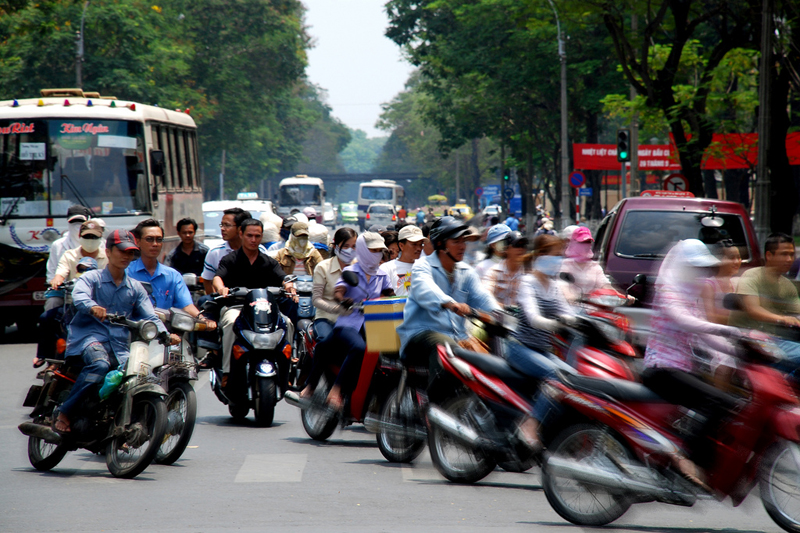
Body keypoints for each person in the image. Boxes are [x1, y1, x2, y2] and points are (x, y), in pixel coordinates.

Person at [53, 229, 178, 433]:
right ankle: (65, 411)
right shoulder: (92, 278)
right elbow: (79, 296)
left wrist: (165, 334)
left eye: (130, 253)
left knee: (141, 375)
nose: (126, 256)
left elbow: (150, 315)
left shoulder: (135, 287)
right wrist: (92, 307)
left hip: (120, 347)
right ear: (108, 251)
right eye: (121, 251)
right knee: (100, 365)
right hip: (90, 339)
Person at [642, 239, 742, 489]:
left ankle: (704, 467)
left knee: (732, 403)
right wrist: (733, 332)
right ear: (680, 266)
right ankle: (684, 457)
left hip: (682, 368)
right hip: (661, 369)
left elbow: (705, 335)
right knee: (718, 401)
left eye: (702, 268)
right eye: (694, 267)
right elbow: (687, 322)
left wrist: (742, 351)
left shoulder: (689, 296)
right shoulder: (669, 293)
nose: (699, 273)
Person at [490, 233, 576, 450]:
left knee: (576, 379)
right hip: (520, 349)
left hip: (543, 350)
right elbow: (534, 318)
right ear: (542, 256)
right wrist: (557, 323)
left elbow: (569, 312)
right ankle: (530, 424)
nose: (559, 260)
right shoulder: (528, 282)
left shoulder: (554, 286)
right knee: (556, 376)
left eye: (561, 255)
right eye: (556, 255)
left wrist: (584, 321)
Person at [397, 216, 499, 390]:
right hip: (420, 335)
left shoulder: (466, 272)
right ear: (441, 245)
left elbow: (483, 298)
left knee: (495, 350)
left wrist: (501, 313)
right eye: (456, 241)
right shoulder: (423, 266)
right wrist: (450, 303)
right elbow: (425, 289)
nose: (462, 246)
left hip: (458, 337)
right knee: (447, 347)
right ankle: (436, 408)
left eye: (464, 241)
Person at [297, 232, 394, 410]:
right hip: (346, 321)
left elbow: (389, 294)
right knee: (351, 347)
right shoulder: (348, 271)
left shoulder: (383, 274)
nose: (377, 254)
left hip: (374, 324)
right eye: (373, 250)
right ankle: (331, 388)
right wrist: (342, 301)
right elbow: (337, 292)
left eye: (380, 251)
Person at [212, 219, 297, 387]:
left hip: (265, 308)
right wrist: (221, 288)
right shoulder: (230, 259)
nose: (253, 239)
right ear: (241, 234)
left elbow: (283, 278)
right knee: (230, 323)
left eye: (257, 236)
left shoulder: (269, 261)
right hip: (236, 307)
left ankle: (285, 370)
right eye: (249, 235)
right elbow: (217, 278)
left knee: (287, 323)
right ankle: (228, 372)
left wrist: (289, 286)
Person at [127, 218, 214, 326]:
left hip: (169, 335)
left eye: (159, 240)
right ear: (138, 242)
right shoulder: (126, 273)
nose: (155, 244)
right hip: (136, 333)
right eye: (149, 239)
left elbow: (186, 305)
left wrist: (203, 320)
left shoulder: (173, 275)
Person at [731, 233, 800, 364]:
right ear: (769, 255)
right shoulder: (751, 276)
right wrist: (783, 318)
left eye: (791, 255)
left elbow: (797, 312)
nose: (789, 259)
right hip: (746, 339)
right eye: (784, 254)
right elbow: (753, 310)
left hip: (773, 340)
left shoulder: (788, 285)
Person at [309, 227, 358, 345]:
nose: (350, 250)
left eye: (354, 246)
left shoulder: (359, 267)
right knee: (326, 341)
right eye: (346, 246)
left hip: (352, 320)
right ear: (335, 246)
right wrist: (337, 309)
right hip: (326, 319)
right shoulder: (323, 267)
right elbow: (316, 299)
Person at [45, 205, 93, 308]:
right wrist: (55, 282)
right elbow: (54, 271)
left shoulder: (99, 243)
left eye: (81, 222)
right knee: (51, 306)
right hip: (65, 292)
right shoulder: (59, 246)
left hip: (92, 291)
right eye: (73, 222)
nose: (77, 226)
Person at [559, 226, 620, 304]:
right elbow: (563, 286)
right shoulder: (565, 265)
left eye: (588, 242)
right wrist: (570, 297)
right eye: (582, 243)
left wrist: (619, 295)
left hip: (592, 308)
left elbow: (605, 285)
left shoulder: (595, 267)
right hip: (571, 308)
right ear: (573, 244)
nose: (586, 245)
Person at [200, 207, 247, 294]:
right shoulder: (215, 252)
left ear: (240, 229)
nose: (222, 229)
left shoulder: (259, 251)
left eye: (227, 225)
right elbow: (208, 281)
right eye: (222, 225)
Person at [701, 241, 742, 326]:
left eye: (738, 257)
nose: (737, 261)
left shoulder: (737, 282)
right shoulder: (709, 285)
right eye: (731, 258)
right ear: (718, 259)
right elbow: (711, 319)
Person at [380, 225, 426, 296]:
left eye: (421, 244)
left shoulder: (426, 267)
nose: (419, 248)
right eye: (414, 244)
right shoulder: (387, 269)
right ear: (401, 246)